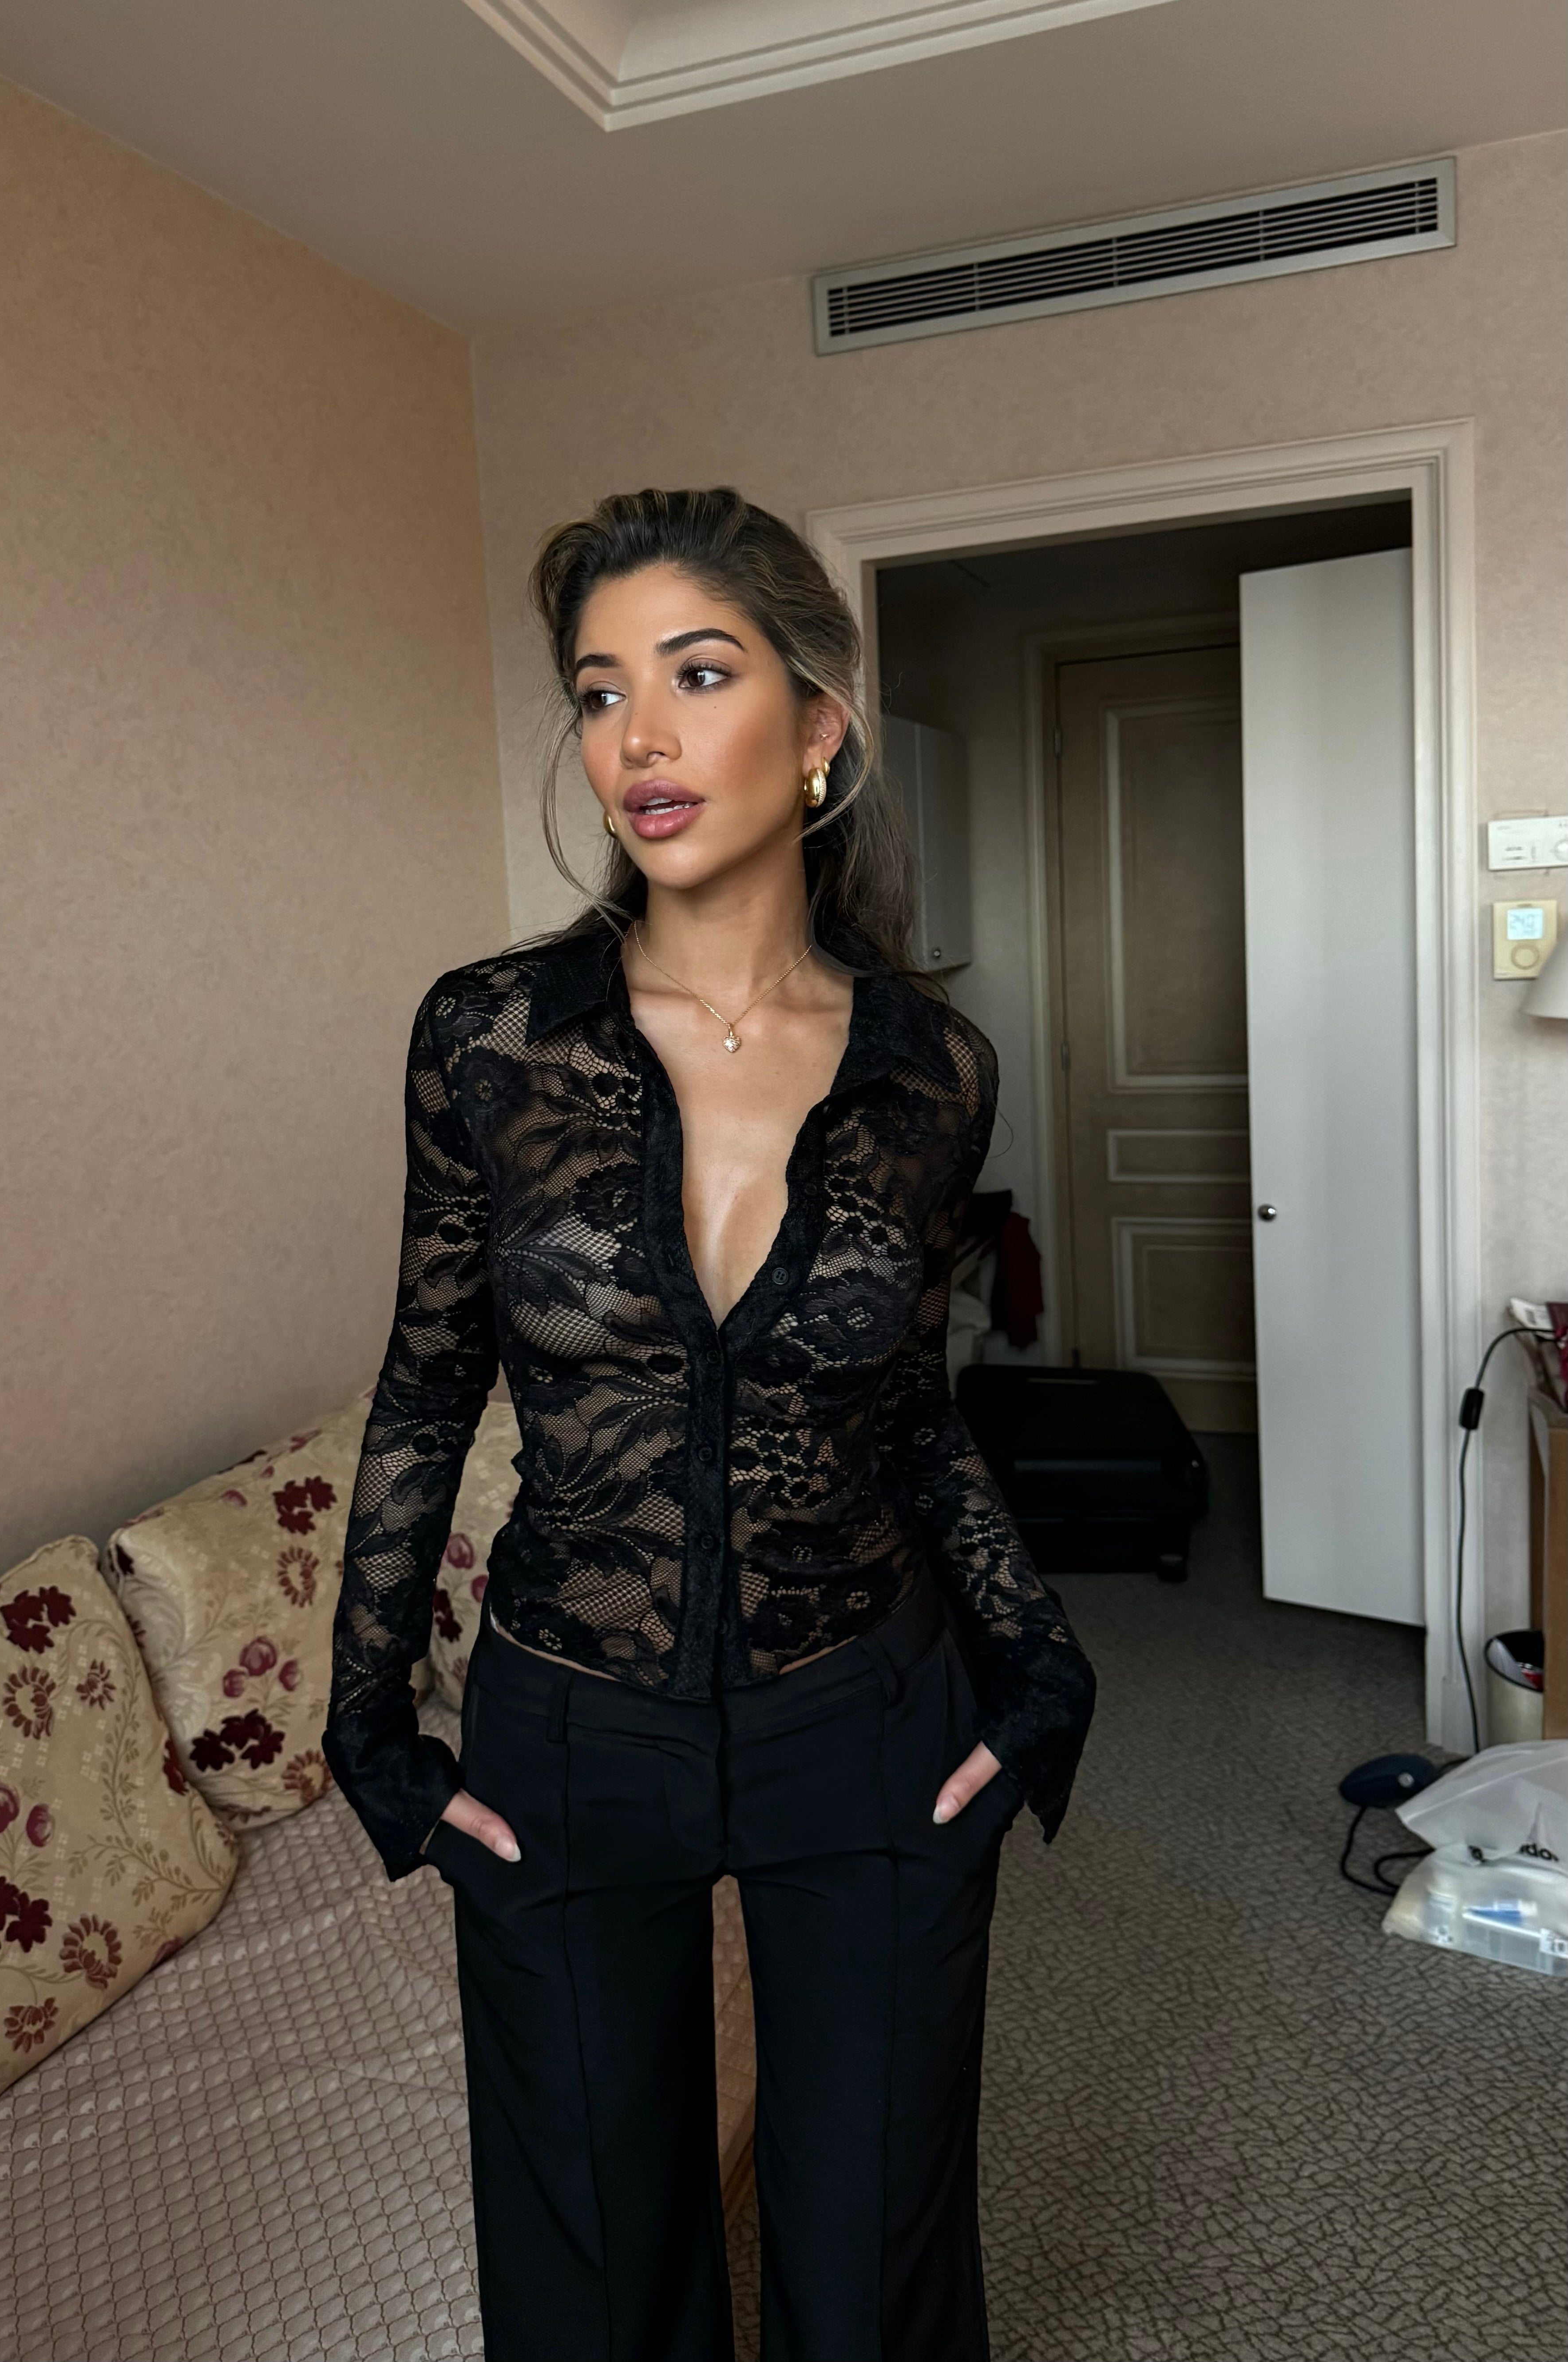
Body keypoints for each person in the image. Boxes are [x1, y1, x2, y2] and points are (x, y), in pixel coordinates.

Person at [322, 488, 1096, 2362]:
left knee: (873, 2268)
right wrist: (370, 1725)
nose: (638, 740)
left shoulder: (932, 1071)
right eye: (600, 694)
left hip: (867, 1714)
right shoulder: (489, 1036)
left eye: (696, 674)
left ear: (818, 721)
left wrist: (1037, 1665)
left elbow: (912, 1413)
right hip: (571, 1726)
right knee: (592, 2277)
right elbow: (426, 1384)